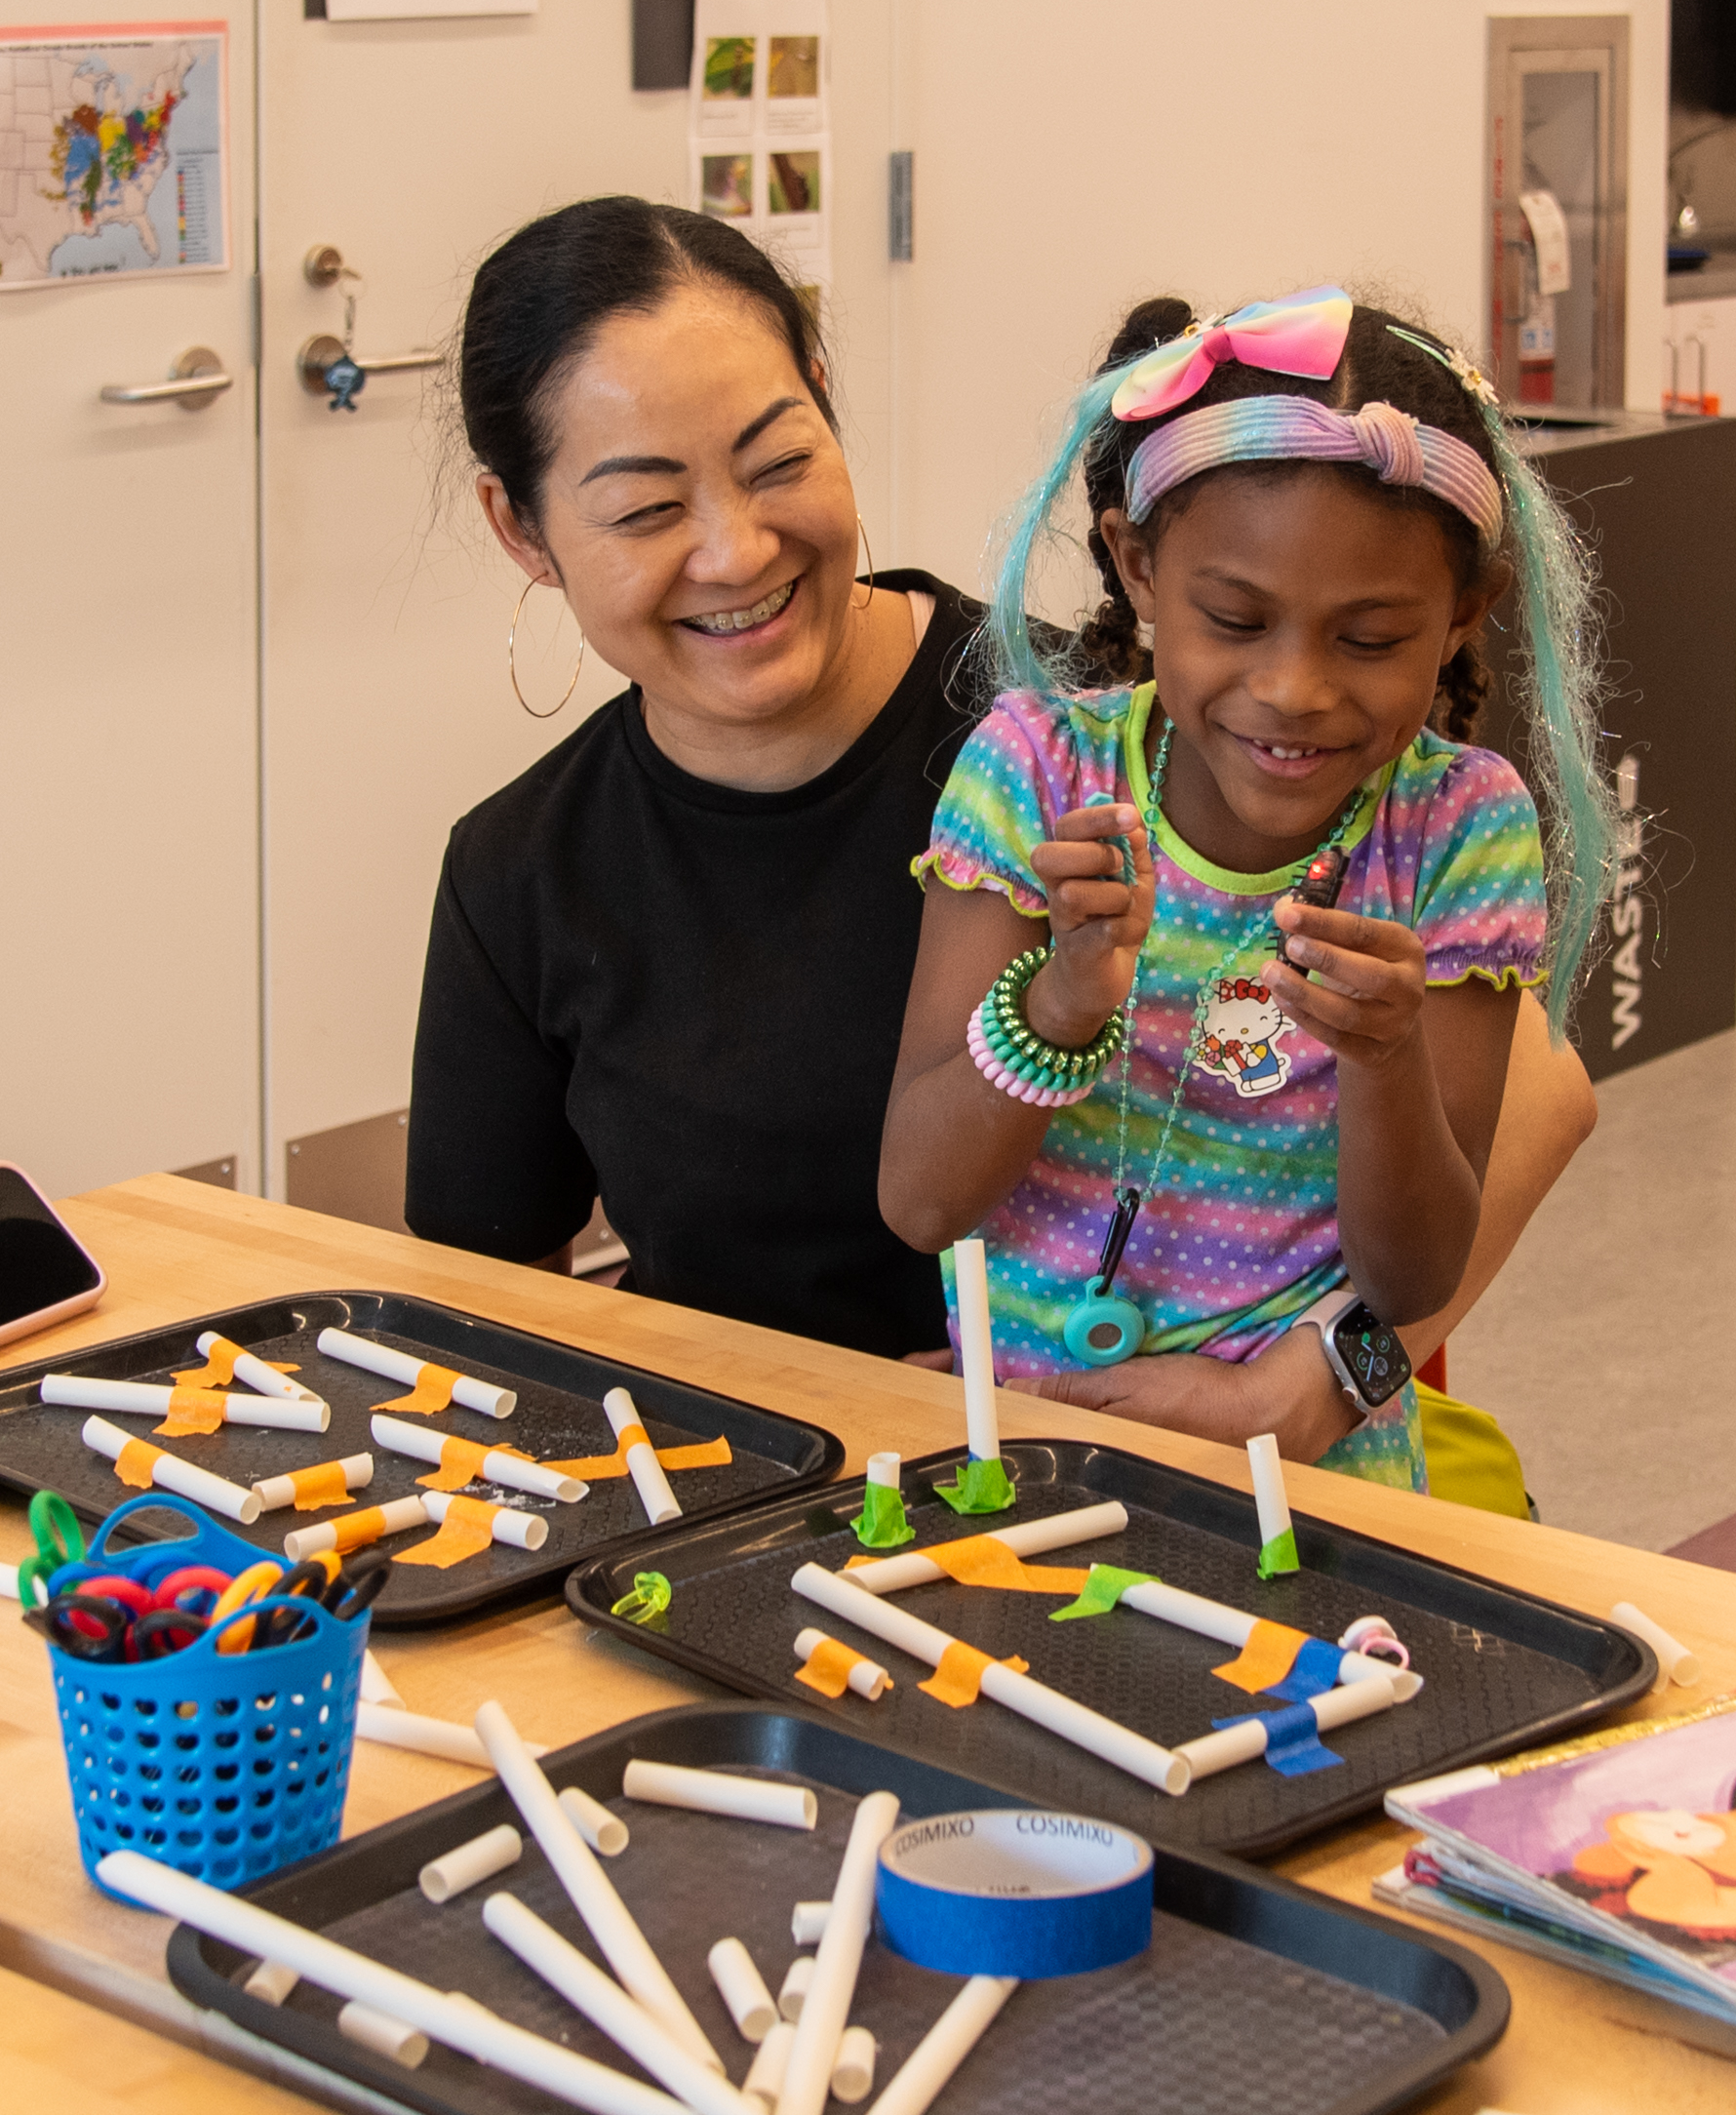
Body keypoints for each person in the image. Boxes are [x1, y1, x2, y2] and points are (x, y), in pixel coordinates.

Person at [410, 206, 1592, 1483]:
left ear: (827, 401)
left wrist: (1327, 1378)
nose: (734, 549)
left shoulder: (1128, 726)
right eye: (645, 509)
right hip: (777, 1495)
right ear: (523, 530)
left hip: (1216, 1465)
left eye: (773, 461)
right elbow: (502, 1330)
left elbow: (1535, 1104)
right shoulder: (524, 871)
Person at [880, 286, 1622, 1496]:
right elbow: (918, 1200)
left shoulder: (1458, 828)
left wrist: (1384, 1062)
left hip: (1310, 1491)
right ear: (1136, 567)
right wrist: (1060, 1003)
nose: (1294, 690)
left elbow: (1416, 1279)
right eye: (1236, 618)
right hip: (1023, 1458)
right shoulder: (1035, 774)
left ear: (1460, 619)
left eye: (1371, 638)